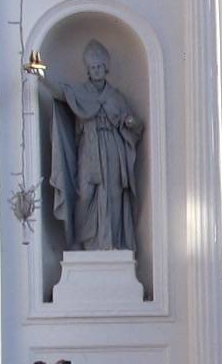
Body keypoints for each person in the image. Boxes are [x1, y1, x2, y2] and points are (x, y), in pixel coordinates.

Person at [33, 38, 143, 252]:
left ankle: (111, 242)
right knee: (85, 194)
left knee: (113, 194)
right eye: (93, 67)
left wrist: (131, 122)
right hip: (89, 149)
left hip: (112, 150)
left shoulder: (115, 97)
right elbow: (60, 93)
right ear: (88, 70)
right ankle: (80, 241)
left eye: (100, 66)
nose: (97, 70)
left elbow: (134, 125)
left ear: (106, 68)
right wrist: (42, 77)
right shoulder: (80, 93)